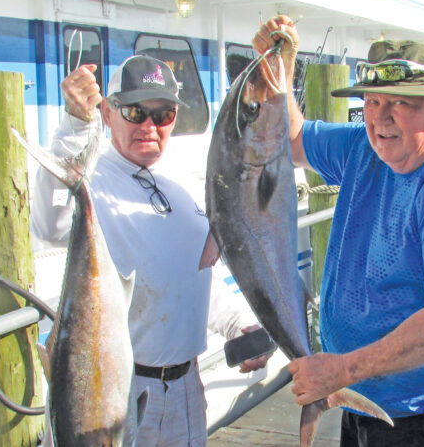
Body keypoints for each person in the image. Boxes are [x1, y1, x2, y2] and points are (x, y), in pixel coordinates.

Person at [253, 16, 424, 446]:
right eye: (372, 101)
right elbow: (292, 139)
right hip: (365, 400)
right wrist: (282, 64)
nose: (381, 118)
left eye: (400, 102)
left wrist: (338, 370)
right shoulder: (364, 147)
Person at [31, 55, 269, 446]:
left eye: (163, 114)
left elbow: (191, 274)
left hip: (186, 387)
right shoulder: (94, 179)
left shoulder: (181, 184)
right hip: (114, 392)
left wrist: (236, 323)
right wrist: (74, 126)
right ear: (108, 113)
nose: (148, 126)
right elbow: (49, 221)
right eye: (135, 111)